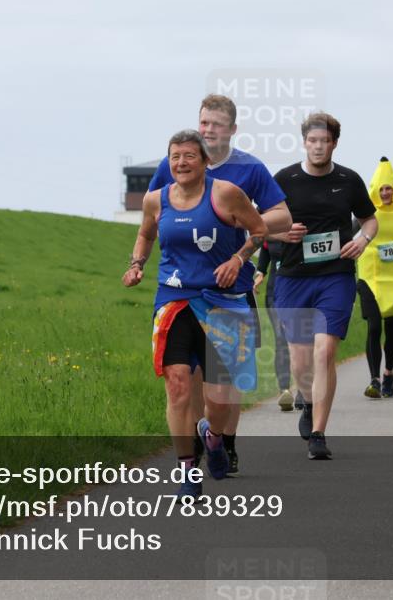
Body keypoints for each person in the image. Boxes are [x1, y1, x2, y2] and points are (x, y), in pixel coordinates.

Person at [148, 94, 291, 475]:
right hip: (183, 289)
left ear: (232, 129)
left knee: (227, 378)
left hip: (233, 287)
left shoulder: (250, 169)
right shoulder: (176, 164)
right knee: (188, 375)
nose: (207, 129)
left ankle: (225, 442)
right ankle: (196, 445)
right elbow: (157, 208)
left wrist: (241, 221)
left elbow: (281, 216)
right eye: (203, 122)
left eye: (215, 124)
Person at [123, 130, 266, 498]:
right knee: (177, 385)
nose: (181, 163)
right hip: (174, 300)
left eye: (189, 156)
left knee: (218, 398)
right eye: (175, 157)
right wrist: (137, 264)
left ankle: (213, 437)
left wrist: (238, 259)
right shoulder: (156, 200)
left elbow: (260, 230)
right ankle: (187, 469)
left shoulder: (225, 194)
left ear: (204, 161)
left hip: (222, 301)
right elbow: (145, 235)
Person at [272, 112, 377, 459]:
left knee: (326, 351)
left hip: (336, 276)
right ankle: (306, 399)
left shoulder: (349, 180)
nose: (318, 146)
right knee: (301, 363)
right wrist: (280, 233)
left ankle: (318, 434)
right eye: (312, 140)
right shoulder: (284, 179)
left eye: (325, 141)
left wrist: (362, 240)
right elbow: (258, 225)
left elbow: (370, 220)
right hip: (293, 277)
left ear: (334, 143)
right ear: (304, 142)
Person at [355, 157, 393, 399]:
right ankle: (374, 380)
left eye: (389, 188)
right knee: (374, 326)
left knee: (391, 329)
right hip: (370, 275)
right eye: (381, 189)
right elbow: (347, 234)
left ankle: (388, 372)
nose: (386, 192)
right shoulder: (366, 211)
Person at [254, 240, 294, 411]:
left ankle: (304, 391)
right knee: (281, 339)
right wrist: (260, 271)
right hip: (275, 293)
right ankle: (284, 390)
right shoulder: (273, 221)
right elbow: (266, 249)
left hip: (300, 290)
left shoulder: (304, 223)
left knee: (302, 342)